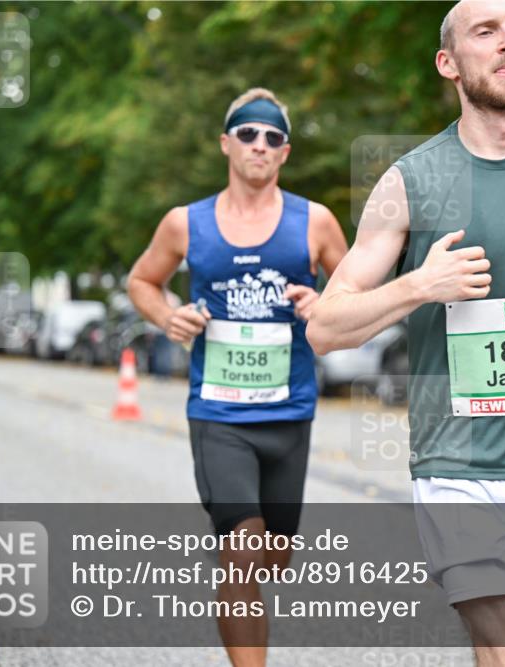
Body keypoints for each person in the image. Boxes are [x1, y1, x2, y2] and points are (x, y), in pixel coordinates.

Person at [307, 2, 505, 665]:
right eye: (488, 32)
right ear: (449, 62)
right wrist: (419, 285)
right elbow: (322, 326)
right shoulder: (410, 181)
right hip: (460, 476)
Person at [127, 87, 347, 667]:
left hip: (290, 411)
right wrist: (168, 315)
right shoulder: (186, 223)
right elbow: (141, 282)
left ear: (285, 152)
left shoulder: (316, 223)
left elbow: (354, 298)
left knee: (274, 555)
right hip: (219, 414)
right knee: (242, 550)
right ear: (226, 144)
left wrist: (319, 302)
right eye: (248, 133)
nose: (259, 144)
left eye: (272, 137)